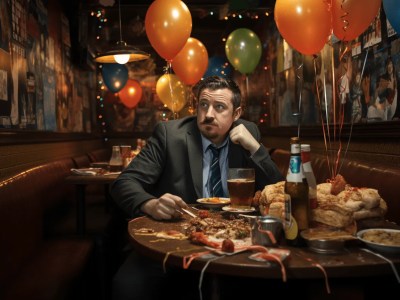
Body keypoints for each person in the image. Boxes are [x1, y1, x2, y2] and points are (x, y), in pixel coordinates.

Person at [109, 76, 284, 300]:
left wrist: (255, 148)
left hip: (235, 239)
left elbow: (278, 190)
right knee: (128, 285)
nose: (208, 114)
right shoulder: (169, 135)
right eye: (204, 105)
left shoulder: (249, 133)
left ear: (236, 114)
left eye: (219, 107)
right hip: (176, 239)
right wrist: (150, 204)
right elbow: (123, 183)